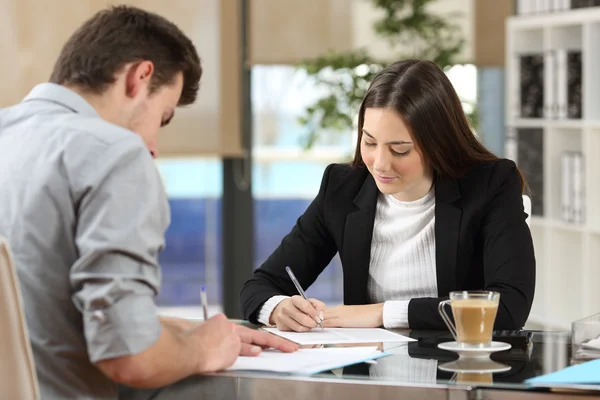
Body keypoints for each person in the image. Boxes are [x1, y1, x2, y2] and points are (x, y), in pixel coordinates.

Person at [0, 6, 297, 399]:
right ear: (139, 78)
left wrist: (180, 330)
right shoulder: (115, 153)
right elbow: (129, 357)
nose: (153, 148)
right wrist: (205, 347)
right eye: (164, 116)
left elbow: (35, 314)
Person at [240, 59, 536, 333]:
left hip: (460, 374)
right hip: (371, 377)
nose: (379, 164)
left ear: (439, 144)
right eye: (369, 142)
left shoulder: (491, 185)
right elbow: (260, 285)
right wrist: (278, 308)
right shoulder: (342, 188)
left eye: (400, 149)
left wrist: (384, 313)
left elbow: (509, 307)